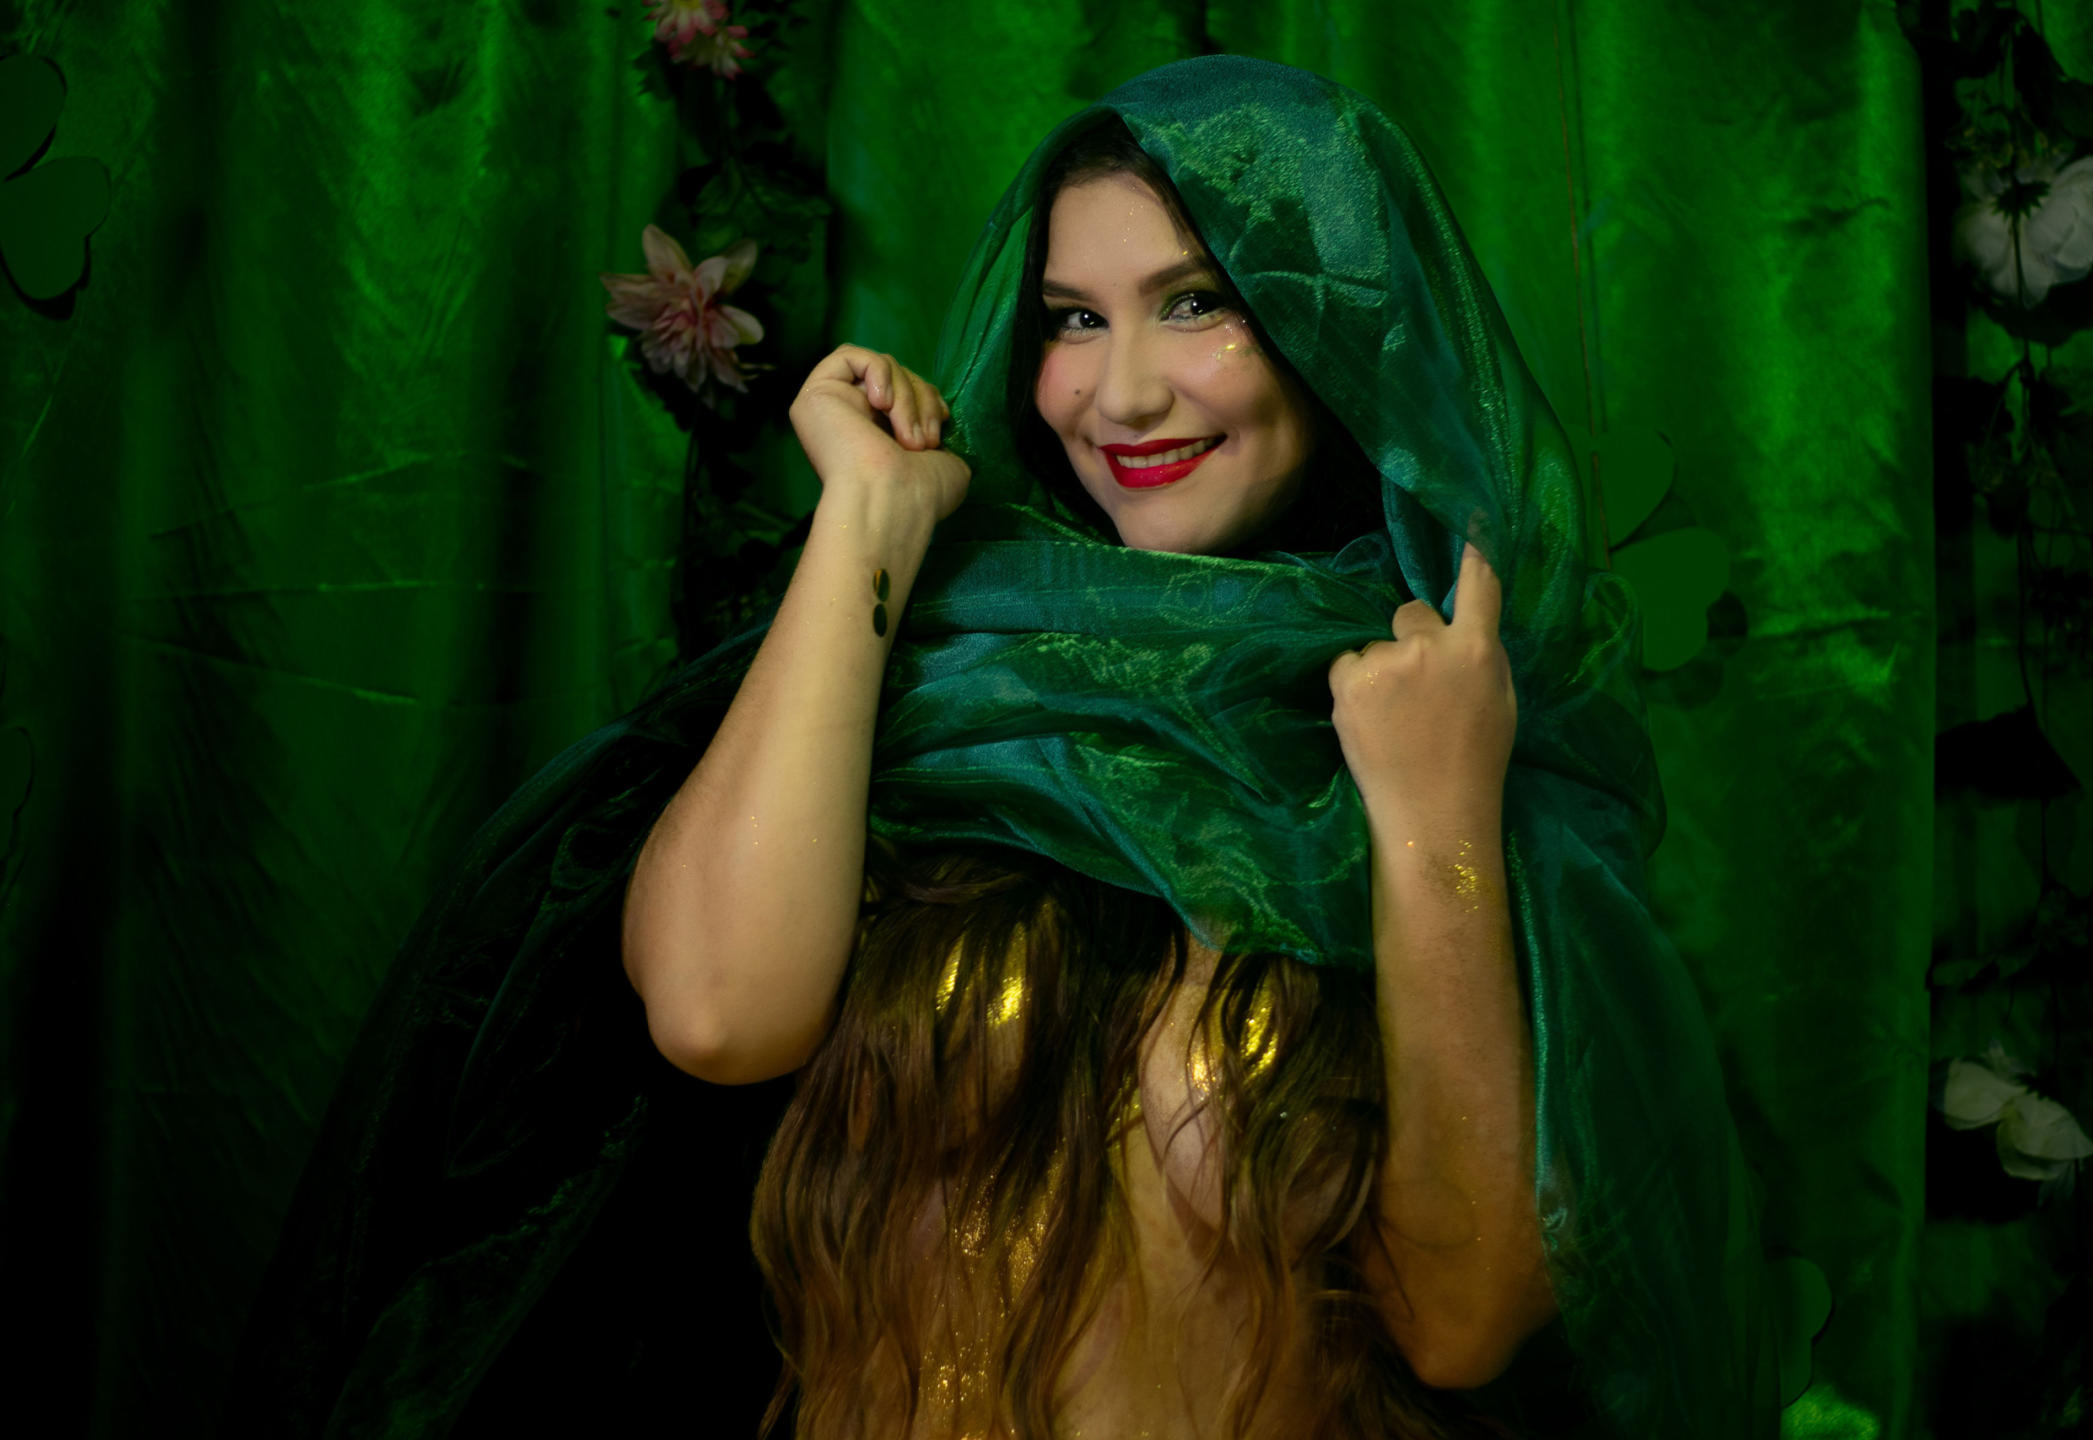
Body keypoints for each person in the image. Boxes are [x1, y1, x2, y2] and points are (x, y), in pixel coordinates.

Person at [224, 55, 1821, 1440]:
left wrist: (1435, 826)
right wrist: (868, 523)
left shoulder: (1444, 718)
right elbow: (715, 1013)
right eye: (1071, 319)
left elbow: (1463, 1318)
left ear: (1340, 329)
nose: (1120, 393)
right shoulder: (919, 679)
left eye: (1198, 304)